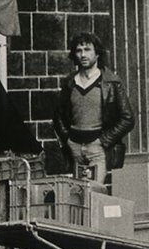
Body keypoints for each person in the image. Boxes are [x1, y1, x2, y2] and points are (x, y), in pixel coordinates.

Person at [51, 33, 135, 186]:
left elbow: (128, 118)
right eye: (79, 50)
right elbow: (58, 116)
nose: (83, 54)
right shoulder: (69, 82)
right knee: (77, 196)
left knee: (94, 194)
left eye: (88, 49)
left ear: (97, 53)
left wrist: (103, 140)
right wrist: (68, 140)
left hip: (97, 149)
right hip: (75, 149)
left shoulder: (111, 82)